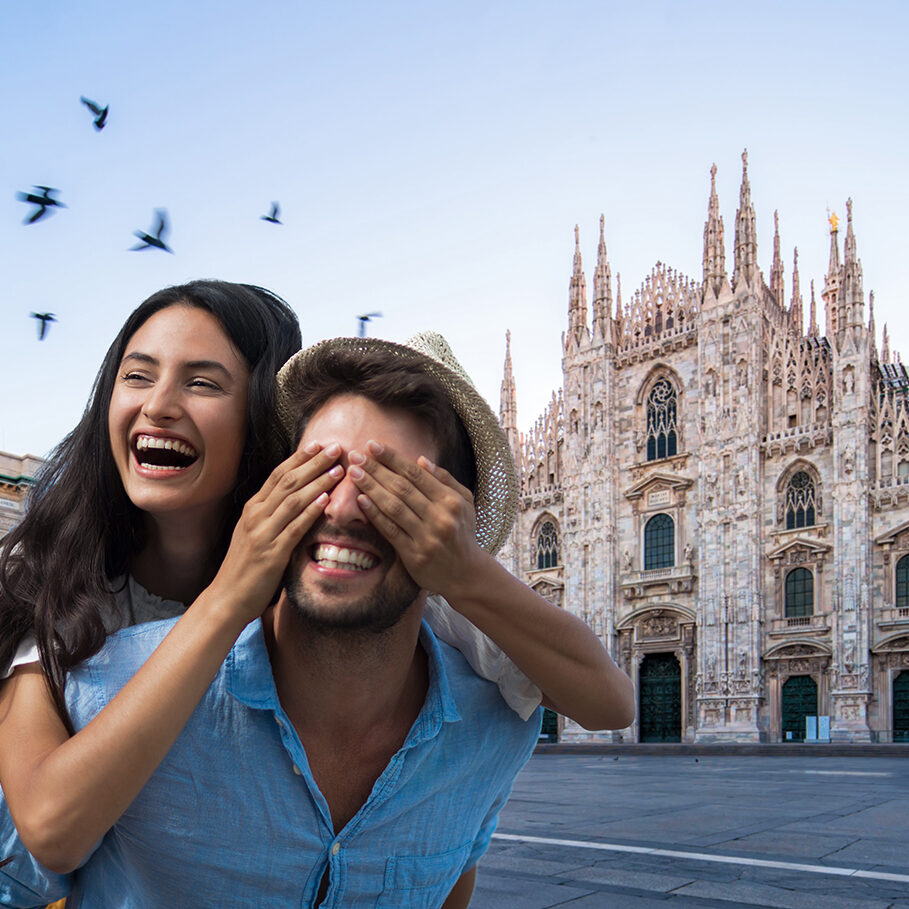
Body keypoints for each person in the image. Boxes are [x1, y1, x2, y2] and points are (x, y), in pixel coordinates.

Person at [0, 296, 633, 903]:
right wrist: (229, 596)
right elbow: (46, 839)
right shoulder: (69, 617)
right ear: (276, 475)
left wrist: (463, 570)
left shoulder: (482, 699)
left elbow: (607, 700)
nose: (345, 505)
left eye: (394, 489)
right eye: (320, 472)